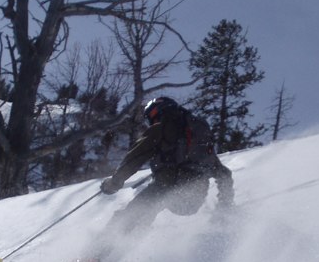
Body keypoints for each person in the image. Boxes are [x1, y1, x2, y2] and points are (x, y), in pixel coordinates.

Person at [100, 96, 234, 235]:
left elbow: (134, 158)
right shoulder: (198, 137)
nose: (151, 121)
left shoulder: (160, 129)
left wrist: (114, 183)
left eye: (151, 117)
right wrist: (225, 205)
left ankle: (97, 252)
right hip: (193, 200)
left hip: (168, 187)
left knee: (130, 215)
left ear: (157, 112)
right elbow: (223, 174)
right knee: (145, 215)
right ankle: (126, 245)